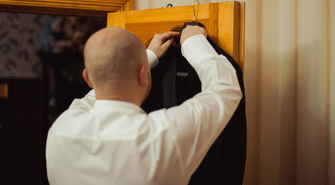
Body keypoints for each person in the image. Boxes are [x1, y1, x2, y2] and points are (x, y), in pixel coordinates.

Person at [46, 26, 242, 185]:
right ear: (143, 74)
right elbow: (225, 89)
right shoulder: (163, 134)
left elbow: (90, 100)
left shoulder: (61, 129)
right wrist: (194, 43)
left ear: (87, 78)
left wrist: (147, 57)